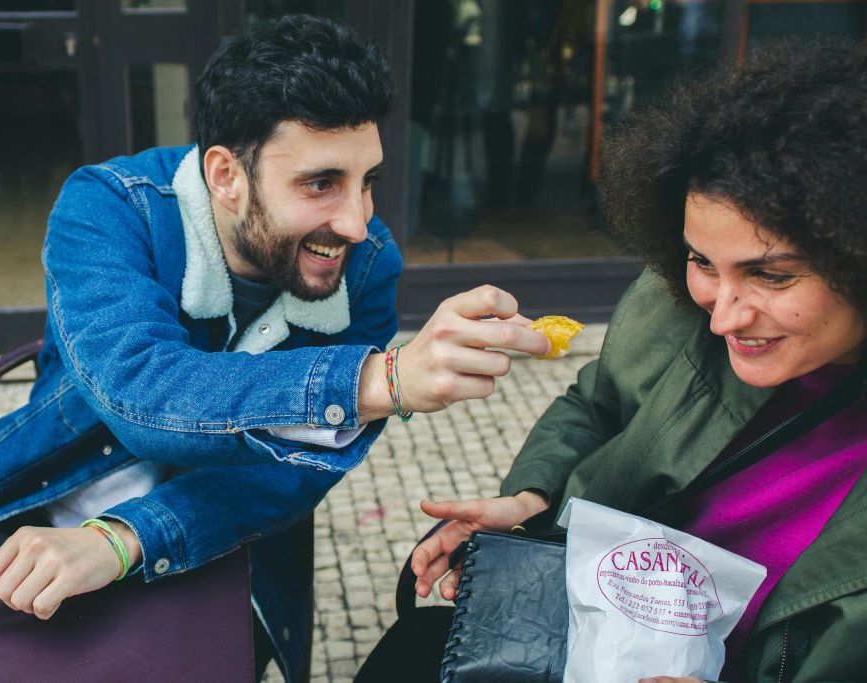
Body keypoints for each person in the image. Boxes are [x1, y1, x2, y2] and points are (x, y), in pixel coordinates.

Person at [0, 14, 551, 683]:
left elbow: (290, 475)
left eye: (368, 180)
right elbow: (142, 392)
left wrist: (123, 539)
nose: (357, 221)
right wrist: (373, 380)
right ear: (226, 175)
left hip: (222, 542)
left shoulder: (368, 268)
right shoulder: (109, 208)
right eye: (322, 183)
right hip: (36, 505)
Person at [357, 41, 867, 683]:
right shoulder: (672, 304)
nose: (721, 315)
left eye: (769, 275)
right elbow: (598, 404)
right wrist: (531, 500)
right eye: (702, 260)